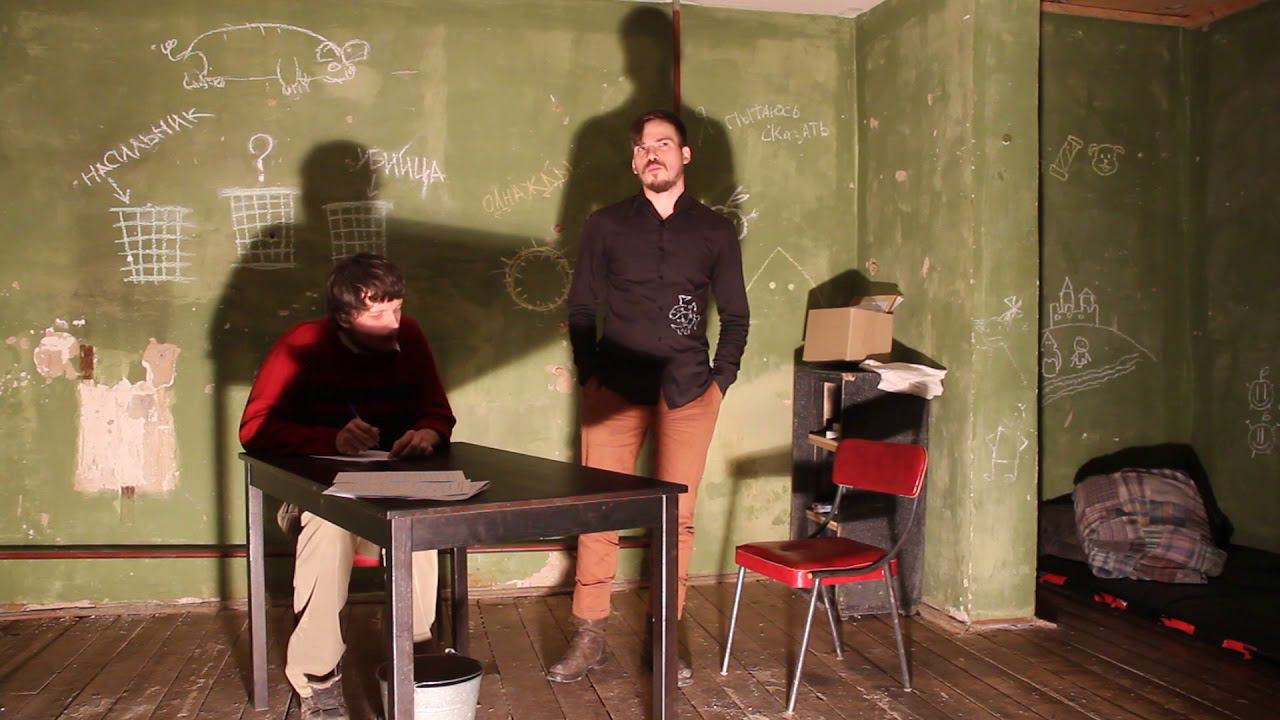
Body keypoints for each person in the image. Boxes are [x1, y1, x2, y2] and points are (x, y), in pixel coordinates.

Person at [548, 109, 749, 687]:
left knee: (677, 519)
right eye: (642, 147)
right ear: (634, 161)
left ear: (685, 155)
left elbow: (736, 315)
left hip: (688, 390)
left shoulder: (714, 231)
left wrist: (720, 381)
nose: (651, 153)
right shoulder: (606, 225)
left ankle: (666, 633)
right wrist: (590, 372)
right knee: (599, 510)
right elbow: (582, 307)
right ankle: (590, 633)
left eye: (663, 143)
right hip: (613, 389)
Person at [240, 253, 456, 720]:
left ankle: (415, 655)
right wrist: (329, 439)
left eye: (397, 308)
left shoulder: (409, 336)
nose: (393, 323)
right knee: (329, 525)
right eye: (377, 315)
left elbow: (438, 411)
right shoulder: (301, 344)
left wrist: (428, 432)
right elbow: (254, 429)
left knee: (418, 522)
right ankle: (317, 676)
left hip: (391, 491)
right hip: (316, 496)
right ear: (343, 317)